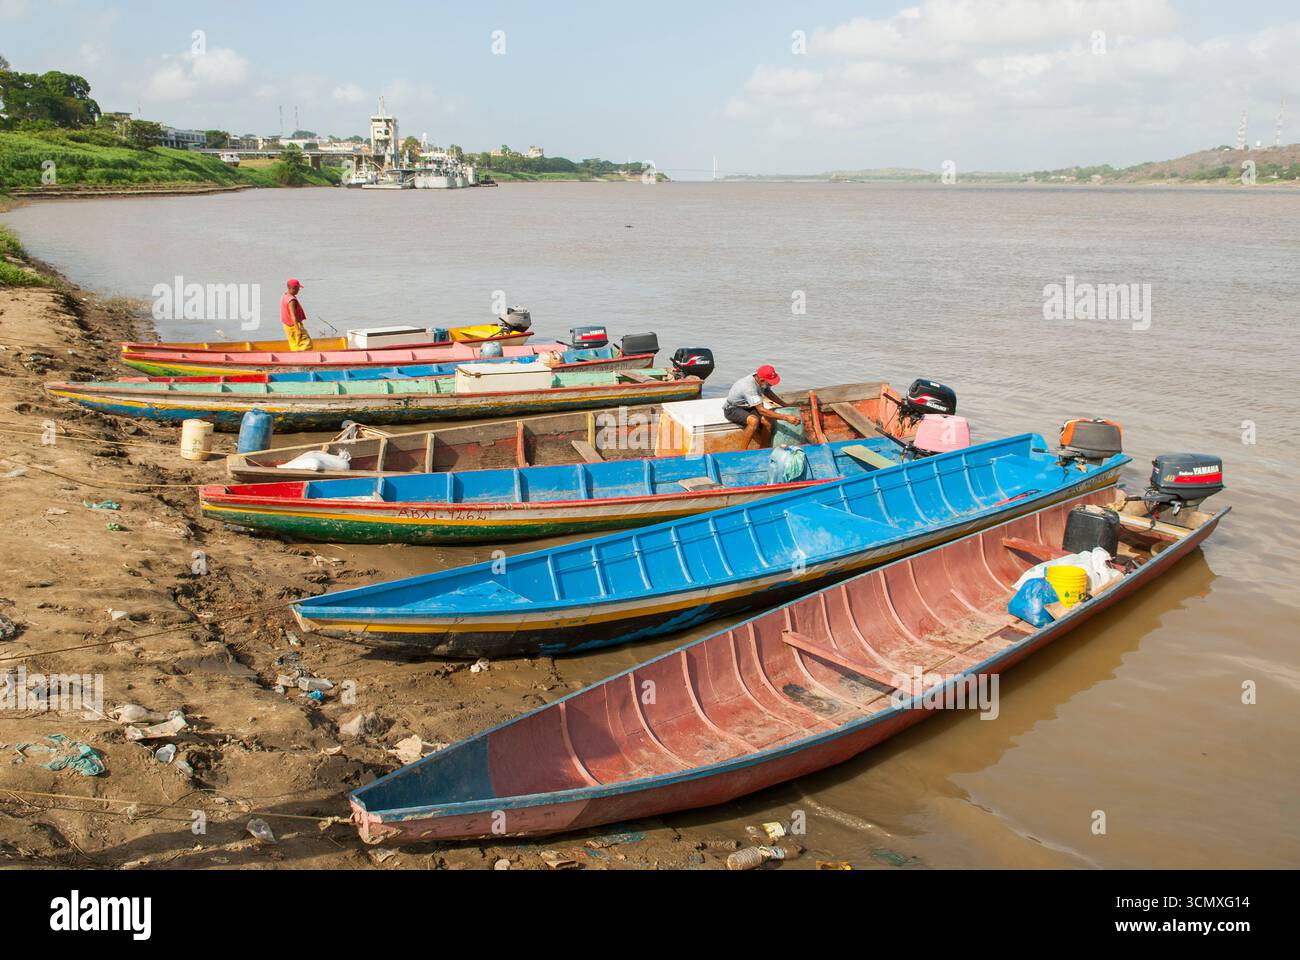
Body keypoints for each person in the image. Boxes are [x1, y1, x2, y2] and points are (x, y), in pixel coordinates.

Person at [722, 364, 800, 448]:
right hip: (732, 409)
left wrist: (785, 405)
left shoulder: (760, 378)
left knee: (767, 421)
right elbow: (761, 410)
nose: (771, 385)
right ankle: (742, 450)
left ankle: (763, 448)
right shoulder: (749, 388)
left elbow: (767, 392)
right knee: (754, 421)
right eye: (770, 384)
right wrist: (786, 417)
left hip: (748, 406)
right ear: (762, 380)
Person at [279, 279, 313, 352]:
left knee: (295, 345)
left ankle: (295, 359)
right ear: (293, 288)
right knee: (307, 344)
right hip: (294, 326)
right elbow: (293, 316)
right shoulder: (292, 300)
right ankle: (301, 357)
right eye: (298, 288)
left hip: (287, 326)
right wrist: (298, 330)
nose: (299, 290)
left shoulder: (285, 296)